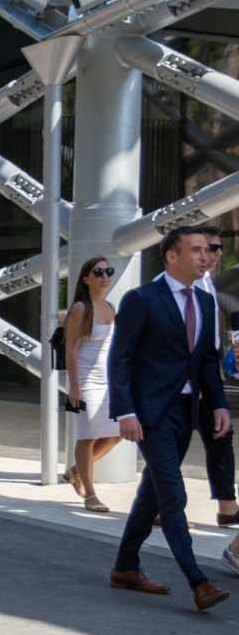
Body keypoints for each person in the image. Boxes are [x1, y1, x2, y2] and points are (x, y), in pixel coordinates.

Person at [108, 226, 232, 612]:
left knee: (152, 493)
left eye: (206, 251)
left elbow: (207, 362)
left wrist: (219, 405)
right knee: (173, 494)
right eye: (195, 250)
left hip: (186, 411)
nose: (204, 257)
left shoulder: (206, 302)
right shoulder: (142, 298)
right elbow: (121, 359)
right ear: (171, 256)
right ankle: (199, 581)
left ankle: (125, 567)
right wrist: (125, 411)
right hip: (150, 414)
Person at [64, 256, 122, 513]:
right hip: (85, 381)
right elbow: (71, 350)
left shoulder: (110, 305)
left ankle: (76, 471)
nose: (104, 275)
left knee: (119, 432)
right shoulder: (79, 308)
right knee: (87, 437)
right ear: (86, 278)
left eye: (108, 271)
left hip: (108, 382)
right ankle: (90, 494)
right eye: (98, 271)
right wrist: (74, 387)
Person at [194, 228, 239, 527]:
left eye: (218, 248)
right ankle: (160, 508)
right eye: (210, 248)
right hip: (187, 378)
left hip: (208, 375)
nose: (216, 253)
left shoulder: (209, 284)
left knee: (221, 435)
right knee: (173, 442)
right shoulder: (178, 288)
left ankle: (228, 507)